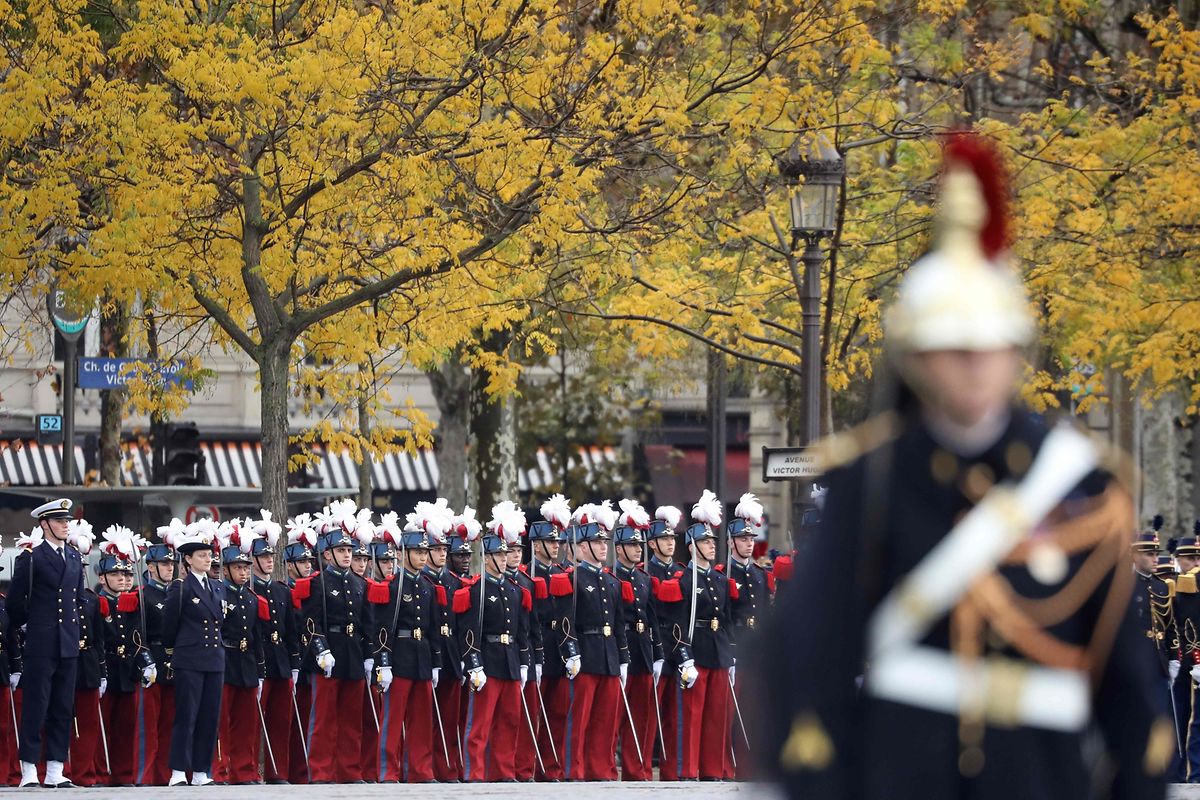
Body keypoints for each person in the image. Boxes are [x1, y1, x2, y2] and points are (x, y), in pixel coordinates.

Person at [757, 132, 1168, 800]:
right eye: (951, 346)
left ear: (1017, 353)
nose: (974, 364)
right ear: (915, 357)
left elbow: (1124, 686)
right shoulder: (873, 479)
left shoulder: (1082, 484)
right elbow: (811, 661)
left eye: (990, 346)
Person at [6, 499, 88, 788]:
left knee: (63, 706)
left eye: (67, 521)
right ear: (44, 524)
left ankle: (55, 768)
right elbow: (15, 601)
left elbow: (78, 599)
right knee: (36, 706)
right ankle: (29, 769)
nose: (66, 525)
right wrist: (30, 625)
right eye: (59, 521)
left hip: (67, 641)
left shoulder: (75, 558)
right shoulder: (32, 557)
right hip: (41, 641)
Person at [657, 494, 734, 782]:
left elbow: (725, 618)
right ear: (691, 547)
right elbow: (675, 623)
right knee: (690, 715)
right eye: (705, 542)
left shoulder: (718, 579)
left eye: (713, 542)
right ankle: (686, 770)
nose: (712, 546)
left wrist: (732, 653)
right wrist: (684, 657)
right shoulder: (683, 579)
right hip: (695, 648)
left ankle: (712, 769)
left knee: (717, 715)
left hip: (718, 649)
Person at [298, 501, 371, 784]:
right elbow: (311, 621)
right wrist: (320, 650)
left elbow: (367, 624)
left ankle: (349, 770)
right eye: (341, 550)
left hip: (352, 652)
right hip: (328, 653)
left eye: (349, 550)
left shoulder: (359, 583)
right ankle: (321, 771)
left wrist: (369, 656)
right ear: (327, 554)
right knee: (324, 718)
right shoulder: (318, 583)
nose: (346, 555)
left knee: (352, 719)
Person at [457, 504, 529, 782]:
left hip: (509, 660)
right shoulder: (477, 590)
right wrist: (474, 664)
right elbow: (469, 631)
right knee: (480, 724)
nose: (503, 559)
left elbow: (520, 630)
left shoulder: (513, 590)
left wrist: (523, 662)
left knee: (509, 720)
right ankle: (474, 772)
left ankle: (503, 771)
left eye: (505, 554)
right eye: (497, 554)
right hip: (487, 659)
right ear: (486, 557)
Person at [562, 505, 629, 782]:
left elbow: (619, 623)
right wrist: (572, 652)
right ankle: (575, 770)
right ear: (581, 547)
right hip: (586, 653)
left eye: (605, 541)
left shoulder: (612, 582)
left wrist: (623, 658)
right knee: (579, 718)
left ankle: (600, 769)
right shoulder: (573, 578)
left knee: (605, 719)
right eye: (597, 542)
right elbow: (566, 621)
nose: (604, 547)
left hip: (608, 654)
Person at [374, 517, 443, 784]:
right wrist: (384, 662)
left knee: (422, 720)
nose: (423, 557)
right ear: (404, 554)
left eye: (425, 552)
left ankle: (420, 770)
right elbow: (382, 628)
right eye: (418, 552)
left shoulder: (427, 587)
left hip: (422, 656)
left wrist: (436, 662)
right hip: (400, 656)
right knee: (393, 719)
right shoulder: (393, 586)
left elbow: (434, 627)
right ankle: (388, 771)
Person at [163, 521, 224, 786]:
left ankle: (201, 770)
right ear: (187, 559)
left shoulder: (217, 586)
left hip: (214, 659)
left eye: (209, 554)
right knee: (186, 715)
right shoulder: (181, 587)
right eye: (201, 555)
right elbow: (169, 624)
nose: (207, 559)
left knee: (209, 717)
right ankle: (178, 770)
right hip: (190, 657)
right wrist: (173, 650)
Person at [94, 549, 156, 786]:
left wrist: (145, 664)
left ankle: (123, 773)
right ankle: (101, 773)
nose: (123, 579)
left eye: (126, 574)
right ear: (102, 578)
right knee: (103, 724)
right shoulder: (98, 602)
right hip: (107, 665)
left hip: (127, 668)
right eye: (115, 574)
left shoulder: (132, 602)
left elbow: (138, 638)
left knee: (126, 725)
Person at [612, 516, 664, 782]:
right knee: (616, 715)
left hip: (643, 651)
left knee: (643, 716)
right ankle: (611, 766)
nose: (637, 549)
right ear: (619, 549)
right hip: (624, 648)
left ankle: (638, 769)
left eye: (639, 545)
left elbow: (652, 618)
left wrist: (658, 655)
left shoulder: (644, 579)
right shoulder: (613, 577)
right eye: (631, 546)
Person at [213, 526, 266, 785]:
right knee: (222, 721)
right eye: (238, 568)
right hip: (225, 659)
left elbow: (256, 635)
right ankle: (220, 770)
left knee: (247, 722)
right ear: (225, 570)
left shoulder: (252, 598)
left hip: (245, 662)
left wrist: (260, 669)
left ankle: (244, 770)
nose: (243, 573)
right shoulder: (218, 593)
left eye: (246, 568)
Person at [248, 516, 297, 785]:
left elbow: (291, 631)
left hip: (280, 661)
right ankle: (251, 770)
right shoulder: (249, 590)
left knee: (281, 720)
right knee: (254, 721)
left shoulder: (281, 590)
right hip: (259, 660)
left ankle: (278, 771)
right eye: (263, 556)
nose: (269, 560)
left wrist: (294, 663)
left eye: (271, 555)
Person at [426, 512, 473, 782]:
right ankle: (427, 767)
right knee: (427, 718)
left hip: (453, 654)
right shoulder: (424, 582)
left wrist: (466, 657)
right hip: (429, 654)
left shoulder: (456, 583)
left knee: (452, 717)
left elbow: (463, 624)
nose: (443, 554)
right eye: (438, 549)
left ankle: (449, 767)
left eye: (445, 549)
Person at [727, 495, 771, 779]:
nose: (749, 543)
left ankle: (750, 765)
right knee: (731, 714)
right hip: (735, 648)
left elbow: (765, 612)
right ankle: (731, 765)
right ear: (731, 542)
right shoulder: (725, 573)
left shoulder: (759, 574)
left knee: (754, 712)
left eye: (751, 538)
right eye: (743, 539)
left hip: (754, 649)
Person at [529, 495, 572, 781]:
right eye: (551, 542)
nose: (556, 546)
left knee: (557, 713)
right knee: (533, 713)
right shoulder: (526, 575)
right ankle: (530, 766)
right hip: (536, 648)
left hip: (558, 649)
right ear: (536, 545)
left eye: (558, 542)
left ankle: (552, 766)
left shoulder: (562, 574)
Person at [283, 515, 318, 785]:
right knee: (291, 722)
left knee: (308, 718)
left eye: (309, 561)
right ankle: (293, 771)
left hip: (311, 661)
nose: (307, 566)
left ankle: (304, 771)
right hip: (292, 660)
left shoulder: (314, 588)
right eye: (302, 562)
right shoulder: (285, 590)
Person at [138, 541, 177, 785]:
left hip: (176, 663)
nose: (169, 568)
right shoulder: (143, 595)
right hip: (153, 661)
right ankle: (145, 775)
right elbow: (137, 634)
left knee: (170, 724)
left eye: (171, 564)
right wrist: (146, 662)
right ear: (151, 567)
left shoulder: (178, 592)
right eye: (164, 564)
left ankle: (165, 774)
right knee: (149, 727)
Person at [0, 539, 23, 787]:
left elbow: (11, 638)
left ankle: (3, 774)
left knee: (3, 726)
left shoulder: (2, 603)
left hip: (1, 668)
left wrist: (16, 667)